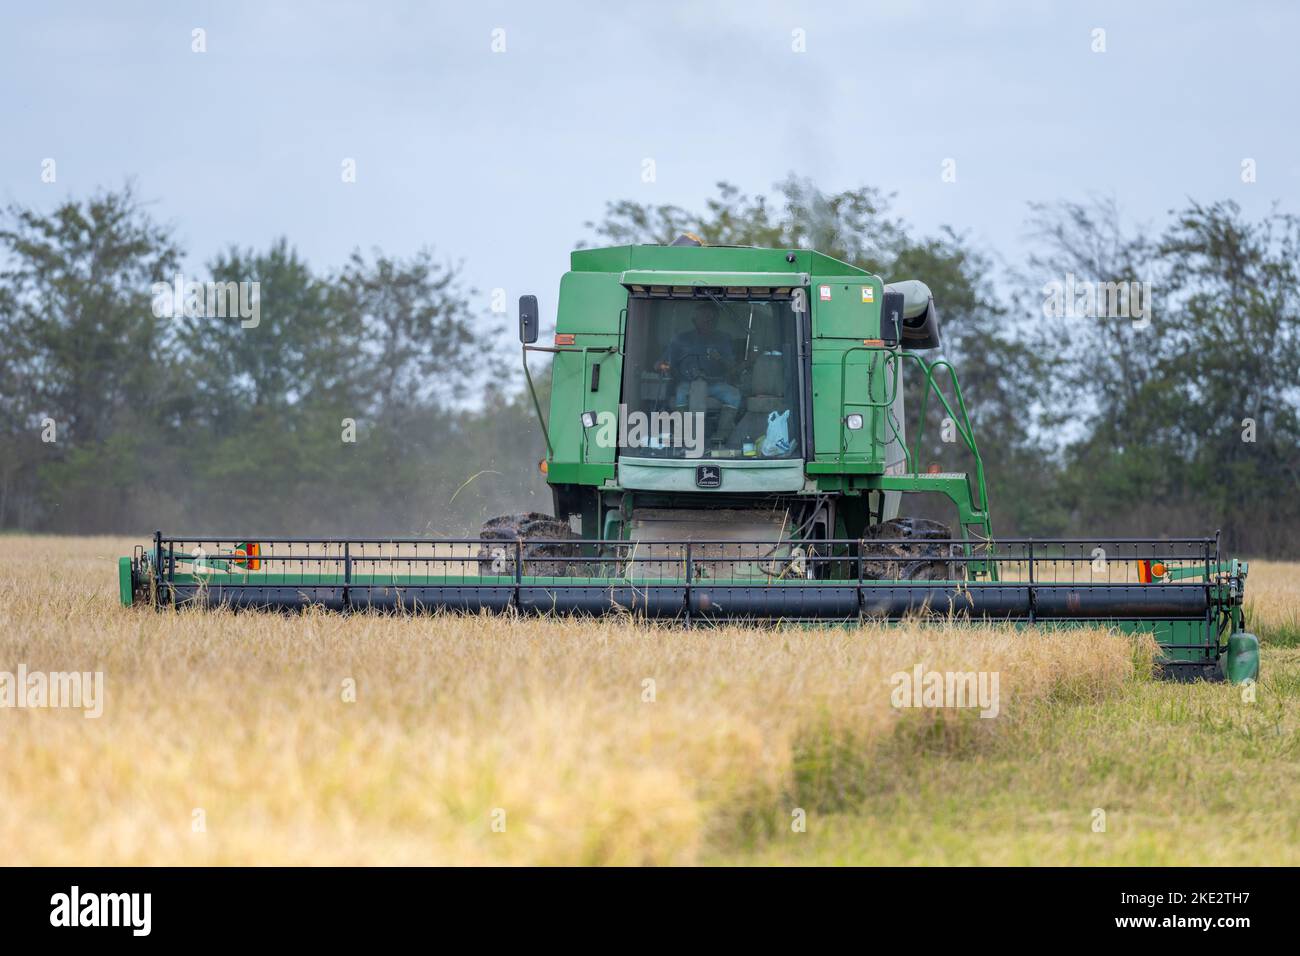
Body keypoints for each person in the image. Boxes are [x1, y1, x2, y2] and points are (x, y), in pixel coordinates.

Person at [655, 302, 742, 412]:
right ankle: (684, 428)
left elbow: (732, 366)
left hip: (714, 384)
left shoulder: (723, 339)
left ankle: (723, 429)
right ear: (695, 319)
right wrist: (663, 366)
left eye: (712, 318)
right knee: (681, 394)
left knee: (734, 396)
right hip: (687, 383)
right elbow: (661, 363)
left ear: (717, 320)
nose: (709, 320)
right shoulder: (681, 339)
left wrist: (720, 359)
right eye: (705, 316)